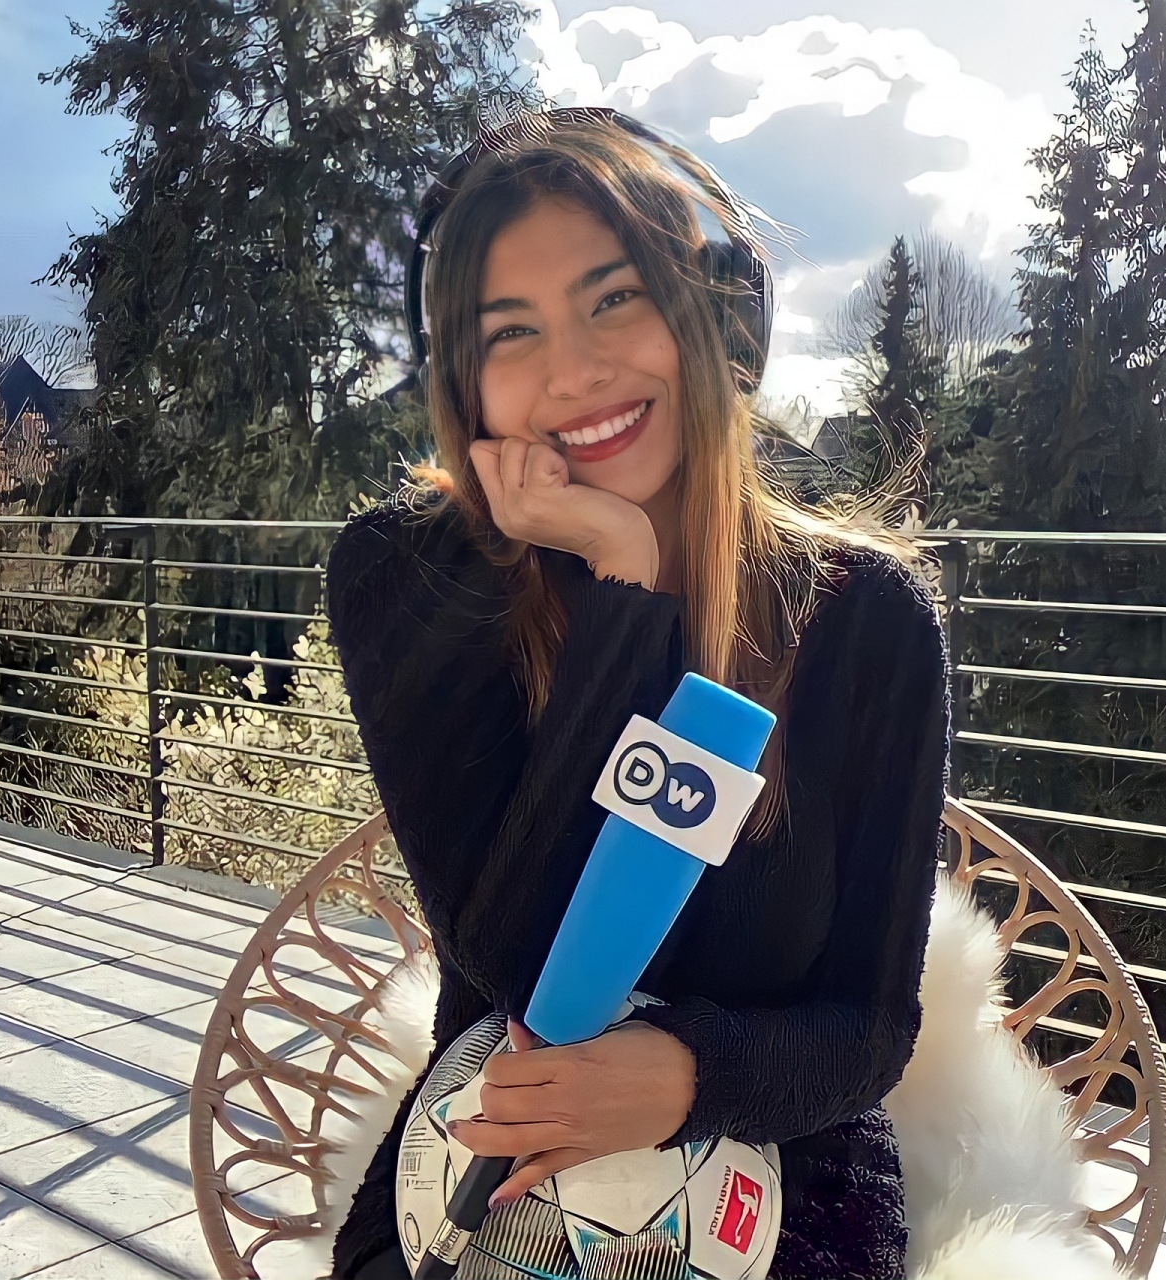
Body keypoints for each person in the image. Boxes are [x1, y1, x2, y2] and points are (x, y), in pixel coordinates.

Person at [324, 110, 950, 1280]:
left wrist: (689, 1075)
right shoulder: (410, 577)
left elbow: (868, 1027)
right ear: (463, 383)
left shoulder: (866, 622)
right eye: (511, 331)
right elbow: (514, 962)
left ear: (720, 318)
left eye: (615, 298)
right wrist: (623, 579)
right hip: (505, 1102)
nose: (572, 372)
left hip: (783, 1130)